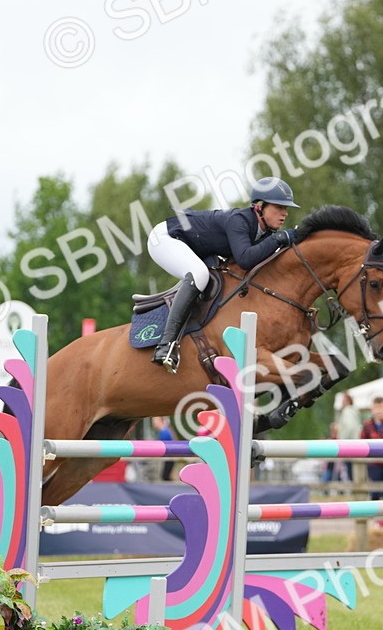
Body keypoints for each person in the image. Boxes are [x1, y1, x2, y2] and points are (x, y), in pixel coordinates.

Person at [141, 177, 300, 373]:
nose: (284, 214)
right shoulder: (239, 221)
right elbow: (245, 259)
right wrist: (279, 238)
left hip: (195, 247)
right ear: (260, 206)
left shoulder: (264, 233)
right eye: (279, 207)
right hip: (165, 239)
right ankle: (166, 346)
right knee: (199, 275)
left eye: (286, 209)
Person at [334, 393, 363, 484]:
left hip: (349, 445)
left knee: (351, 472)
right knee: (355, 470)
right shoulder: (355, 412)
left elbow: (349, 427)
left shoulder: (347, 411)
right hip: (356, 444)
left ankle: (356, 491)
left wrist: (343, 440)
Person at [152, 416, 175, 481]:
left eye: (155, 420)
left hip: (169, 458)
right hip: (168, 458)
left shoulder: (165, 432)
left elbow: (167, 447)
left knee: (165, 476)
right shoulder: (164, 431)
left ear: (160, 421)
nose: (153, 422)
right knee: (165, 476)